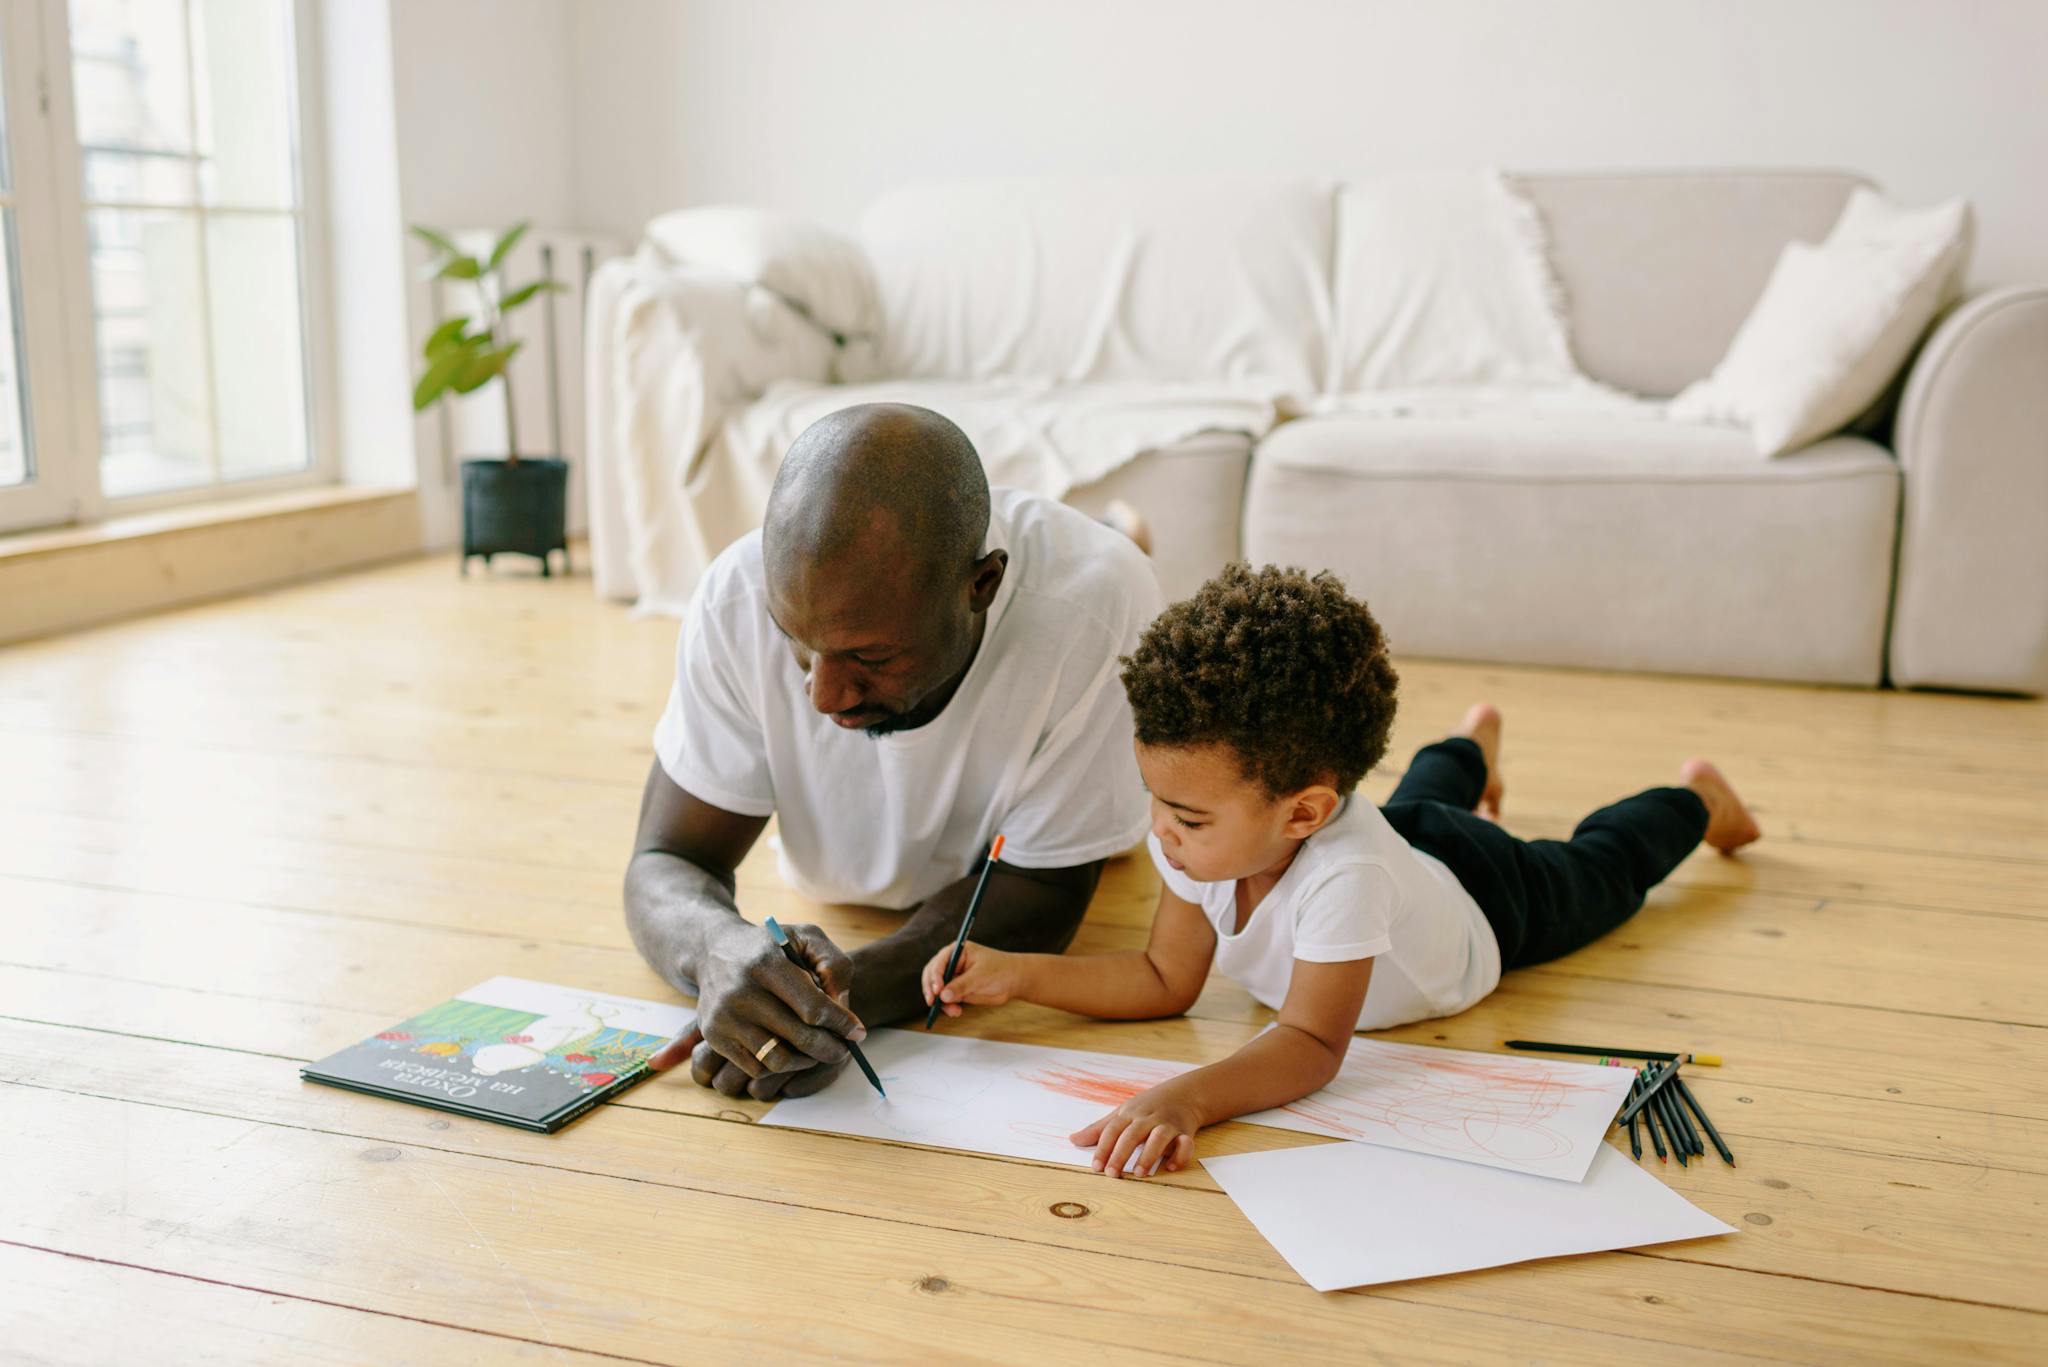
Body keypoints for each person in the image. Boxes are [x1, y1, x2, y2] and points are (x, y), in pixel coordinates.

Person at [921, 562, 1761, 1177]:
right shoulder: (1207, 835)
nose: (1159, 833)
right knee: (1424, 800)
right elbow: (1162, 976)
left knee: (1601, 868)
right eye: (1156, 799)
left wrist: (1190, 1095)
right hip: (1406, 847)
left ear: (1303, 813)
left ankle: (1693, 799)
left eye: (1184, 815)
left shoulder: (1344, 873)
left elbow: (1316, 1041)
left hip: (1490, 900)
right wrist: (1017, 973)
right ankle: (1475, 744)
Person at [627, 403, 1162, 1099]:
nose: (822, 696)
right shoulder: (735, 597)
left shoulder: (1099, 610)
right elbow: (666, 859)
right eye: (797, 639)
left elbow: (1046, 889)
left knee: (1121, 588)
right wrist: (716, 948)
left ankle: (1126, 530)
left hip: (1083, 608)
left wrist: (841, 1003)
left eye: (868, 655)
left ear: (984, 586)